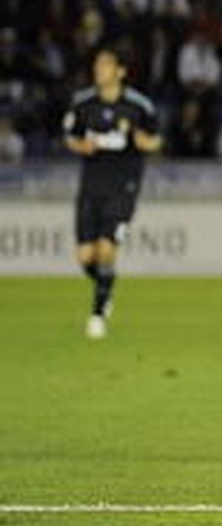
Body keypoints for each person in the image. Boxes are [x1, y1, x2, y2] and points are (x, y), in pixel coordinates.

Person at [62, 47, 162, 340]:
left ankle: (97, 314)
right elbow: (71, 137)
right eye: (97, 66)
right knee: (85, 256)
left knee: (106, 249)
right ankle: (106, 286)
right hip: (91, 186)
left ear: (120, 72)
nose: (99, 72)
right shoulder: (83, 104)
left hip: (124, 186)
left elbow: (156, 138)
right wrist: (81, 147)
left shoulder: (138, 106)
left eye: (105, 66)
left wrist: (148, 143)